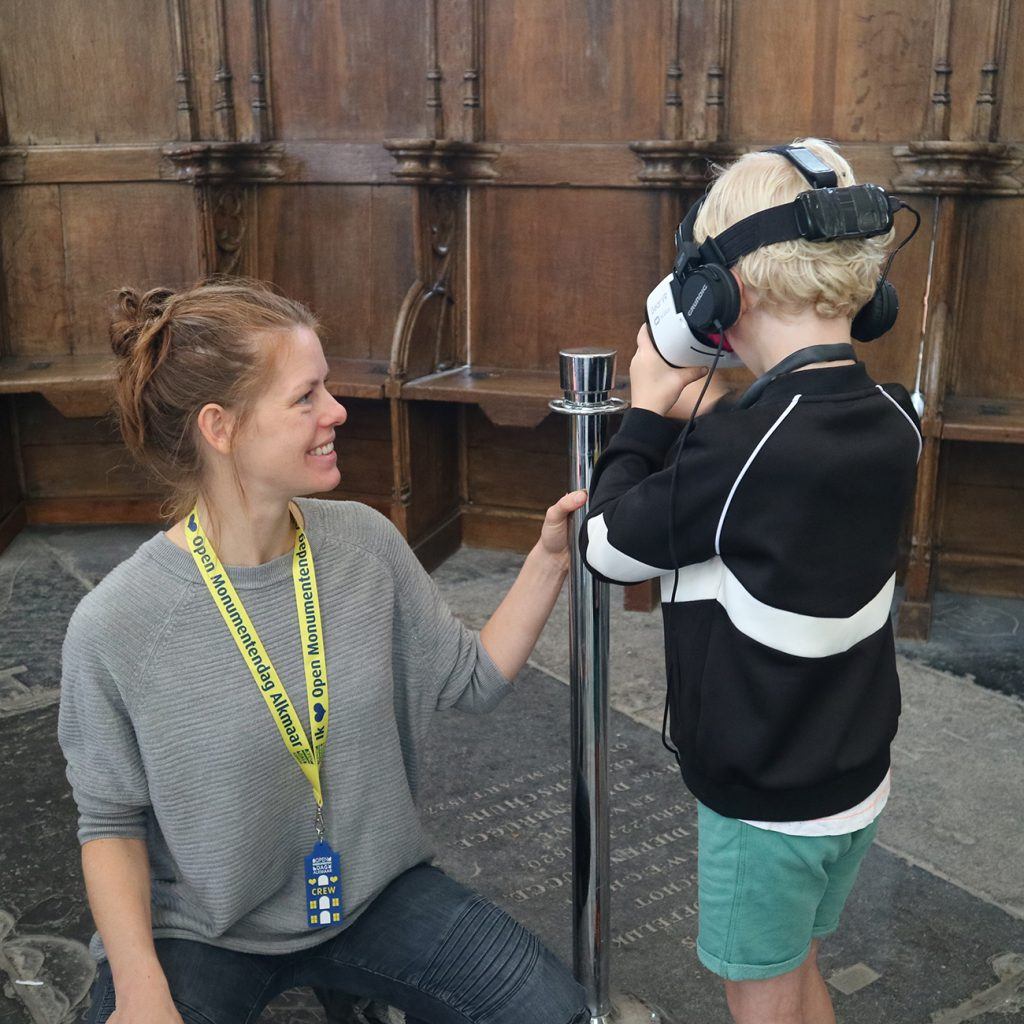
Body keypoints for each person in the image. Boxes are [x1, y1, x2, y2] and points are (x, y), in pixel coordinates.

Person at [57, 278, 590, 1024]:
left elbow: (473, 677)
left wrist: (548, 558)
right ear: (222, 426)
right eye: (305, 396)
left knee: (549, 1013)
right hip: (209, 933)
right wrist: (142, 985)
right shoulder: (116, 623)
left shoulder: (362, 544)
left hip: (375, 891)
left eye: (328, 389)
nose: (337, 411)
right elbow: (109, 824)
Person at [580, 139, 922, 1024]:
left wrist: (648, 412)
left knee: (759, 998)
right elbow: (771, 446)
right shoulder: (894, 415)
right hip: (850, 775)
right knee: (798, 969)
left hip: (762, 799)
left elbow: (610, 545)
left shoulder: (740, 448)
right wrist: (712, 413)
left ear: (722, 293)